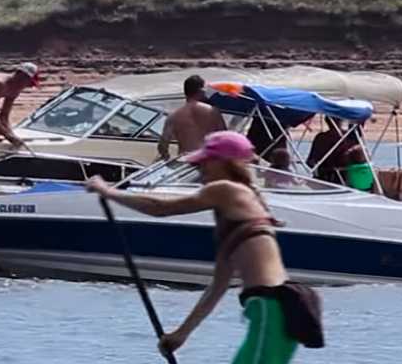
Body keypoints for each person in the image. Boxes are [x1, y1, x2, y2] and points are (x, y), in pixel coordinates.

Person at [87, 131, 323, 363]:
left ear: (224, 163)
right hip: (275, 311)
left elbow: (161, 208)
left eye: (206, 162)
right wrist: (181, 334)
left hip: (270, 309)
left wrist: (108, 192)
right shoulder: (236, 216)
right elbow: (217, 288)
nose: (200, 167)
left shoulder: (226, 189)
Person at [157, 75, 227, 161]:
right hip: (208, 160)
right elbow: (224, 137)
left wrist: (165, 156)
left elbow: (163, 144)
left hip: (186, 162)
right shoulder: (212, 111)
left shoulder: (173, 116)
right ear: (201, 90)